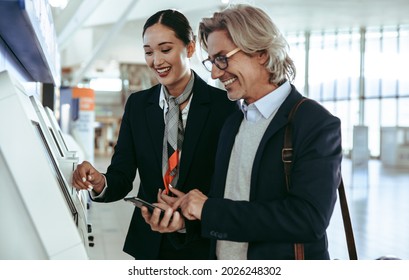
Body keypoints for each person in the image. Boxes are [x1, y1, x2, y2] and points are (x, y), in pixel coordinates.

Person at [163, 4, 343, 260]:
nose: (215, 73)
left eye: (222, 58)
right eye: (211, 62)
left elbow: (309, 220)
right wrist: (184, 222)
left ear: (260, 52)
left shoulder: (315, 123)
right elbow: (228, 205)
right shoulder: (232, 121)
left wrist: (209, 210)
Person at [71, 9, 237, 260]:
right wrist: (99, 182)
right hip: (150, 243)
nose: (156, 61)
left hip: (201, 243)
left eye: (165, 49)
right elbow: (122, 175)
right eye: (149, 52)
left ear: (190, 48)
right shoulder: (138, 106)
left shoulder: (224, 106)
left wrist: (186, 220)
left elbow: (229, 187)